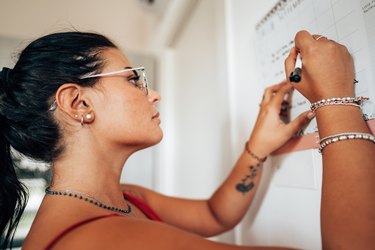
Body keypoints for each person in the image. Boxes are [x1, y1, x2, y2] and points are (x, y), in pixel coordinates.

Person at [0, 29, 372, 250]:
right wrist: (335, 99)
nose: (154, 93)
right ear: (78, 102)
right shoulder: (97, 241)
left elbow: (215, 214)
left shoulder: (123, 198)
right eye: (133, 78)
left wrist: (258, 146)